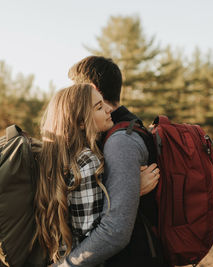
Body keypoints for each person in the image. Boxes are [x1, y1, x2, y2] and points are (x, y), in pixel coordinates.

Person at [52, 56, 167, 266]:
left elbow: (115, 231)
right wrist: (130, 189)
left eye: (75, 88)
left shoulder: (120, 140)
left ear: (91, 88)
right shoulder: (116, 130)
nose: (72, 95)